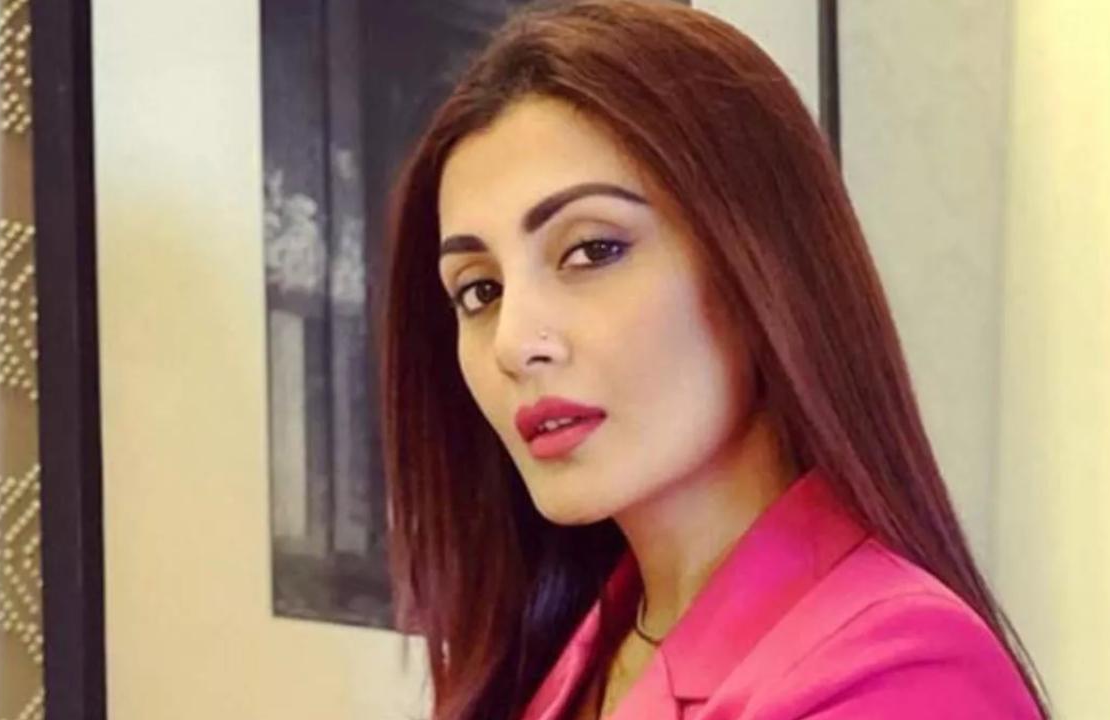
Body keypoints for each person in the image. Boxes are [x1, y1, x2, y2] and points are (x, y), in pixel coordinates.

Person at [378, 1, 1050, 718]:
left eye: (592, 250)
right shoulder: (575, 649)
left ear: (760, 263)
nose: (514, 343)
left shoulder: (898, 675)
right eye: (479, 291)